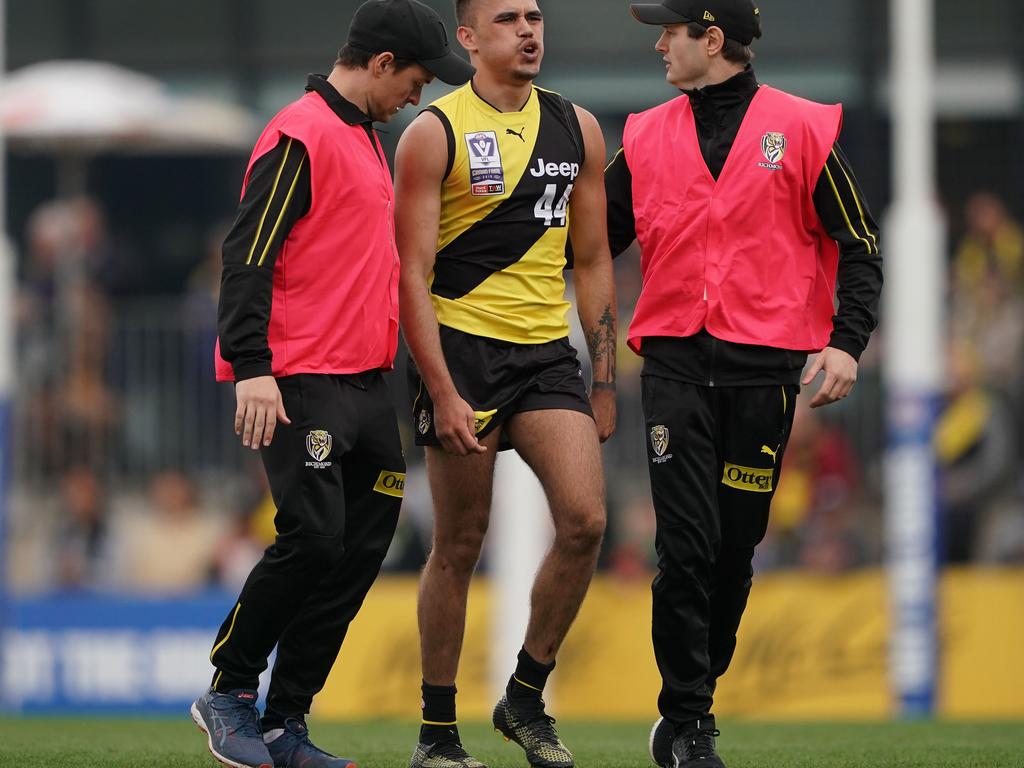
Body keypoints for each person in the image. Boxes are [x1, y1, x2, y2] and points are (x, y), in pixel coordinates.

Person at [191, 3, 473, 768]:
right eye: (415, 80)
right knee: (313, 535)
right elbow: (248, 253)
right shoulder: (302, 132)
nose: (419, 96)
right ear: (381, 64)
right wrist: (251, 366)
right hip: (299, 375)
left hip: (363, 381)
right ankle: (228, 689)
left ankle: (285, 721)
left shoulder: (364, 139)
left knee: (358, 550)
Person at [605, 2, 883, 766]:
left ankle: (696, 694)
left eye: (670, 31)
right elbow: (589, 239)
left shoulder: (800, 129)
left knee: (734, 552)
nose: (659, 44)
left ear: (712, 39)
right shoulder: (644, 135)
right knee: (685, 550)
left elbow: (859, 244)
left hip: (765, 372)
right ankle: (690, 722)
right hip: (672, 367)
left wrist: (847, 344)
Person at [394, 1, 617, 766]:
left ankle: (525, 697)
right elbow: (411, 277)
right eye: (507, 19)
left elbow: (591, 259)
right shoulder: (434, 132)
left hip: (546, 356)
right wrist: (441, 388)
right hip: (463, 357)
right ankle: (437, 734)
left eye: (535, 16)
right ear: (468, 38)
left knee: (586, 520)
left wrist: (607, 378)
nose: (528, 31)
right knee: (459, 542)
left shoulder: (578, 128)